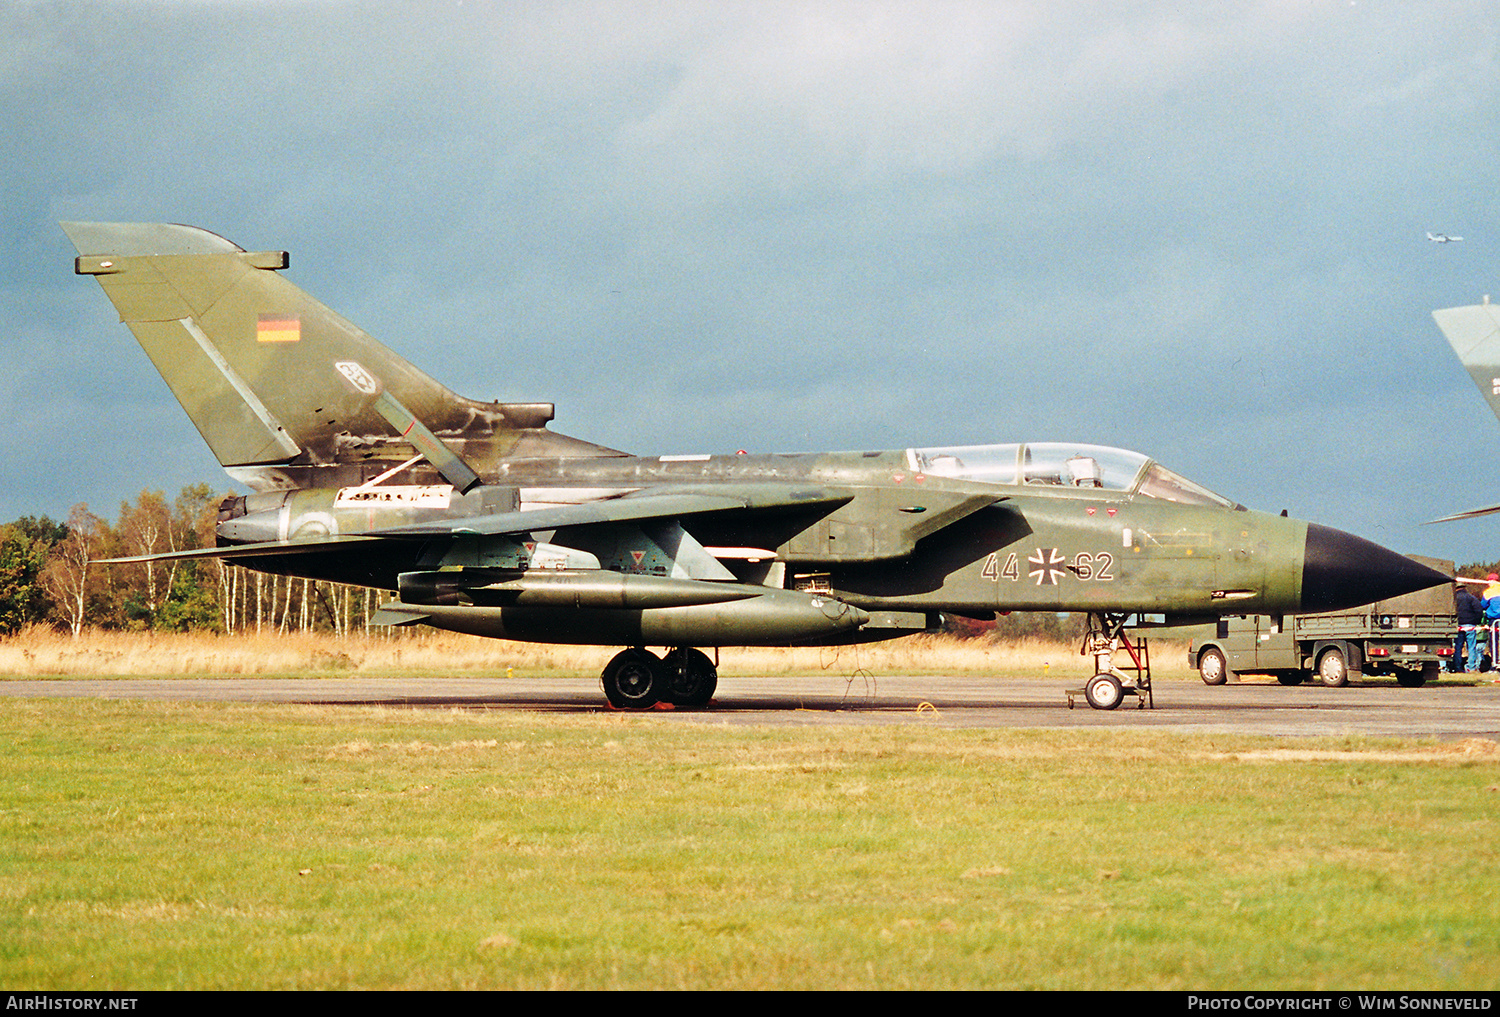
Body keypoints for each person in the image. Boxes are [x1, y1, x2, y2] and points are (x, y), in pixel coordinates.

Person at [1454, 582, 1485, 672]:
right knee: (1471, 647)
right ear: (1464, 588)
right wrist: (1476, 622)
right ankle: (1471, 667)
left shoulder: (1454, 599)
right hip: (1470, 625)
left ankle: (1457, 667)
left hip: (1458, 625)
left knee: (1458, 647)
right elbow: (1479, 610)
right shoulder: (1471, 598)